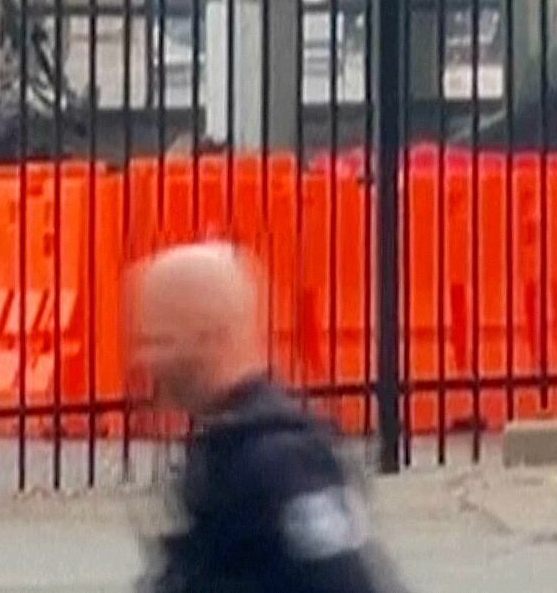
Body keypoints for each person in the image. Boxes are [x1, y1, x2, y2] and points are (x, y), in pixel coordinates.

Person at [134, 243, 403, 593]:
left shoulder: (280, 460)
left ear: (210, 338)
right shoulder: (226, 447)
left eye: (161, 341)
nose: (146, 359)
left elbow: (344, 581)